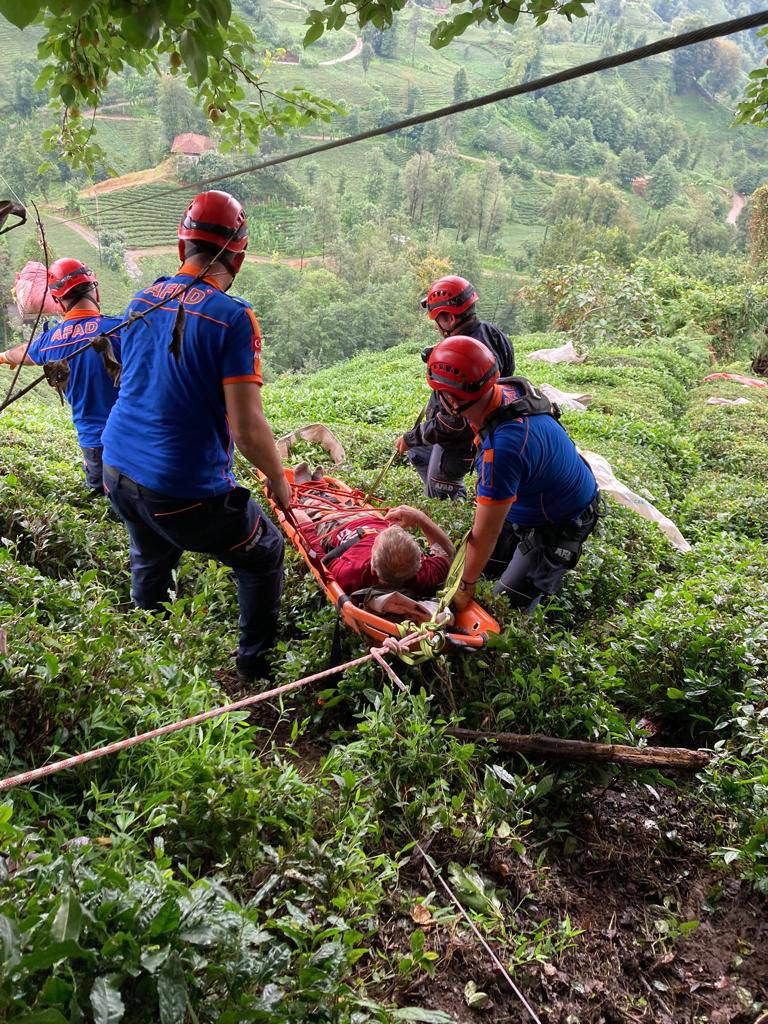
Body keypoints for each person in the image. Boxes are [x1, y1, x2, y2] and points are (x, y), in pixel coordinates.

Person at [101, 190, 289, 682]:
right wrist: (278, 479)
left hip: (116, 469)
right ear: (239, 255)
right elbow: (247, 430)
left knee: (150, 551)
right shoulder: (233, 318)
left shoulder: (141, 300)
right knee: (263, 552)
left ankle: (150, 655)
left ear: (182, 246)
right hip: (180, 490)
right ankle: (254, 667)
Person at [422, 336, 600, 613]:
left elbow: (483, 535)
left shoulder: (503, 451)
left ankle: (534, 592)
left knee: (504, 607)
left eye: (439, 394)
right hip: (534, 498)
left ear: (453, 400)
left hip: (561, 520)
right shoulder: (508, 391)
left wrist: (465, 588)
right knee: (486, 567)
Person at [0, 258, 122, 495]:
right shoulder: (120, 329)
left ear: (58, 300)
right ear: (94, 290)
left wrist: (4, 357)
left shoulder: (51, 341)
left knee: (101, 502)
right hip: (129, 439)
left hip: (93, 446)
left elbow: (23, 352)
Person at [396, 275, 515, 501]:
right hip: (481, 427)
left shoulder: (462, 356)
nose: (436, 326)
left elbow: (455, 421)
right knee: (419, 453)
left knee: (440, 487)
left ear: (449, 318)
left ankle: (452, 506)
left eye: (437, 319)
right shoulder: (493, 334)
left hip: (461, 438)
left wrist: (412, 436)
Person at [292, 484, 454, 619]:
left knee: (320, 511)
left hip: (335, 528)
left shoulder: (351, 573)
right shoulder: (425, 575)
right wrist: (420, 518)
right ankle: (324, 494)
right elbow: (447, 552)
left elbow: (322, 562)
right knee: (344, 506)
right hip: (367, 517)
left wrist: (306, 528)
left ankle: (310, 491)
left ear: (372, 568)